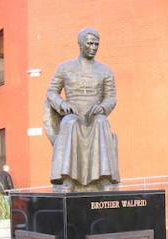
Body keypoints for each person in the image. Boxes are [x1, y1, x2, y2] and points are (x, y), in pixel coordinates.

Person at [44, 27, 120, 193]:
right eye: (90, 43)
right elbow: (51, 92)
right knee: (70, 123)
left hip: (94, 116)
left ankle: (104, 178)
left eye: (96, 44)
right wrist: (62, 104)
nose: (93, 47)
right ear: (80, 44)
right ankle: (67, 179)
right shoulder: (65, 68)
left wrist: (102, 107)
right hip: (72, 115)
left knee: (101, 121)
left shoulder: (105, 71)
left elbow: (111, 98)